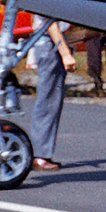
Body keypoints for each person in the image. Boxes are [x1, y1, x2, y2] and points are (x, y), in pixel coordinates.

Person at [29, 20, 76, 171]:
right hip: (50, 43)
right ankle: (40, 155)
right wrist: (65, 53)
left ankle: (41, 153)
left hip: (49, 42)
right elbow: (51, 24)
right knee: (48, 101)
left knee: (51, 100)